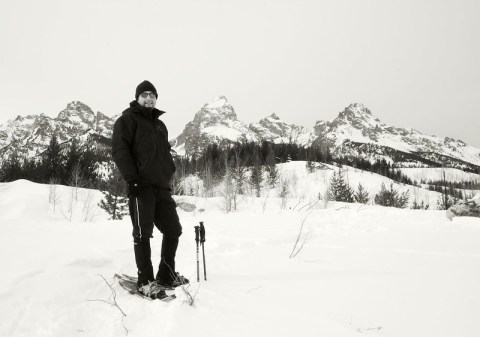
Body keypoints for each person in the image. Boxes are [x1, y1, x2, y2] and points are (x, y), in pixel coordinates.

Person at [112, 80, 189, 299]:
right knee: (142, 234)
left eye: (153, 95)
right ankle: (145, 281)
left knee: (173, 229)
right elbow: (119, 151)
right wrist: (132, 180)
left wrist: (168, 173)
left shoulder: (160, 125)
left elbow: (164, 152)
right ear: (137, 98)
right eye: (144, 94)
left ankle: (166, 275)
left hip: (161, 187)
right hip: (141, 187)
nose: (149, 98)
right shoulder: (126, 121)